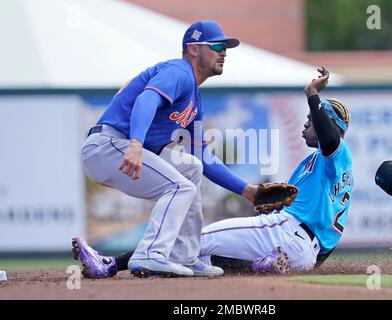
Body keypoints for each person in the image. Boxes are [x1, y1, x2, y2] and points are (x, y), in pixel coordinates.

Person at [73, 66, 353, 277]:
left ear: (328, 124)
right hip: (304, 253)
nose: (306, 124)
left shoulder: (336, 153)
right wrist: (306, 261)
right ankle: (263, 267)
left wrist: (313, 95)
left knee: (191, 241)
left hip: (285, 233)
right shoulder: (324, 168)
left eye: (312, 120)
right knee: (202, 261)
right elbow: (326, 241)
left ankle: (110, 264)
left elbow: (330, 139)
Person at [78, 20, 263, 278]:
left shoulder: (195, 101)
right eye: (218, 45)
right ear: (194, 49)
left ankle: (184, 256)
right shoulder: (179, 71)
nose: (224, 52)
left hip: (121, 149)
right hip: (108, 145)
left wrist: (247, 191)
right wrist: (136, 144)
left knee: (192, 167)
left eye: (226, 48)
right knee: (180, 186)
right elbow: (146, 99)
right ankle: (149, 255)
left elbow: (204, 157)